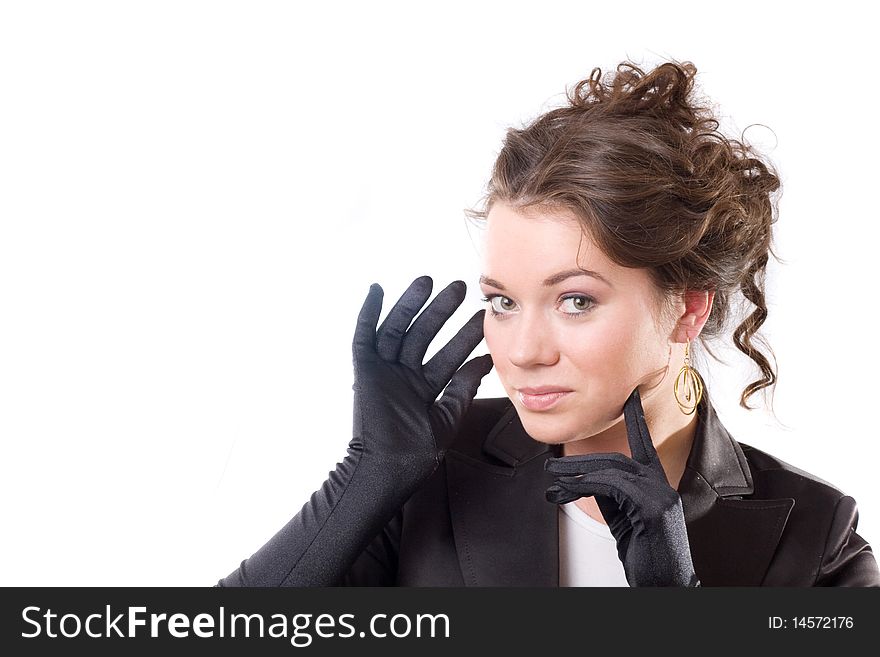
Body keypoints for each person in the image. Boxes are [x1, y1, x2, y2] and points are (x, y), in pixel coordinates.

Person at [216, 59, 880, 587]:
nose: (524, 351)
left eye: (576, 301)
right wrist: (366, 479)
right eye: (503, 300)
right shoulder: (432, 472)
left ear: (688, 307)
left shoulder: (814, 534)